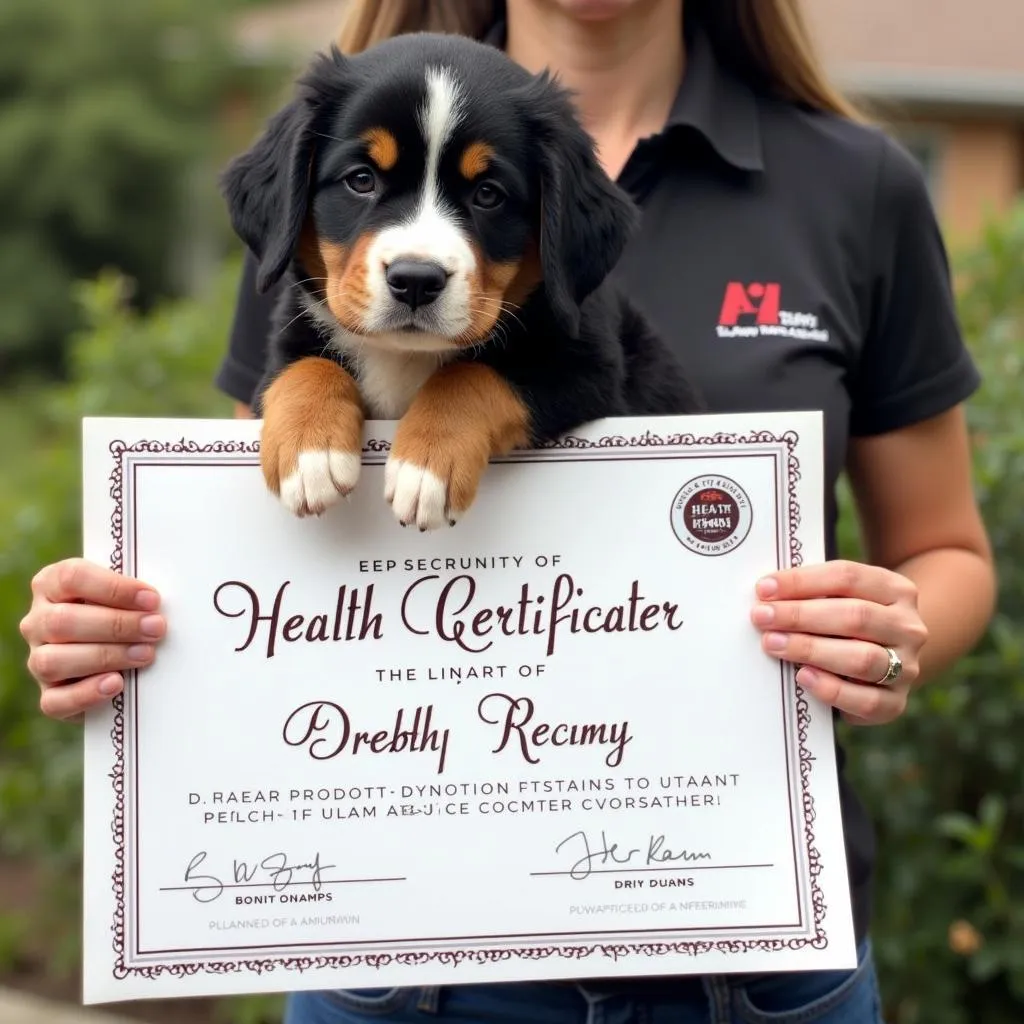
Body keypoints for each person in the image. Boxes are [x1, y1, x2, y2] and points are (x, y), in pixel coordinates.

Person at [18, 0, 995, 1021]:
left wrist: (887, 635)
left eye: (485, 200)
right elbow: (266, 550)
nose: (415, 244)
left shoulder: (856, 185)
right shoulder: (328, 153)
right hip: (397, 957)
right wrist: (120, 629)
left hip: (745, 939)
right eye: (365, 183)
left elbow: (943, 550)